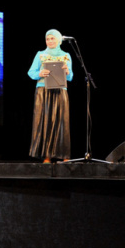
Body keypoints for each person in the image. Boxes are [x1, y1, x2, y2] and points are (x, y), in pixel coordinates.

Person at [27, 29, 73, 163]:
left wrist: (67, 72)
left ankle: (64, 155)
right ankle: (46, 155)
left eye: (53, 38)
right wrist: (40, 73)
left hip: (60, 90)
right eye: (48, 39)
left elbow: (70, 77)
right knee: (45, 121)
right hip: (43, 90)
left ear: (59, 40)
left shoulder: (66, 55)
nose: (50, 41)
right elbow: (31, 72)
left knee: (62, 122)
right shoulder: (40, 54)